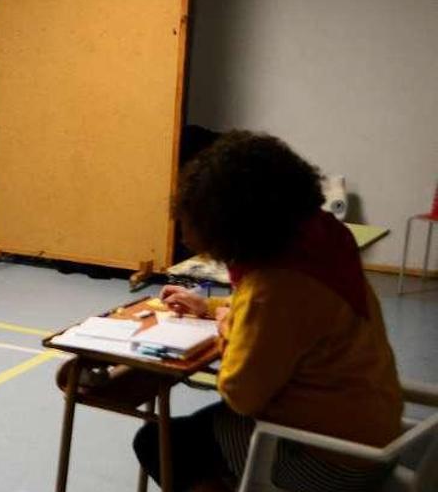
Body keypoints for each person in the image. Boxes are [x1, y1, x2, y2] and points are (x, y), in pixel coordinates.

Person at [133, 131, 402, 491]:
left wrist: (228, 323)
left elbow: (240, 394)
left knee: (159, 445)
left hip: (331, 459)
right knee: (200, 432)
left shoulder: (273, 285)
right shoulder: (323, 238)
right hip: (375, 432)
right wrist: (213, 308)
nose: (187, 236)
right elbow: (287, 323)